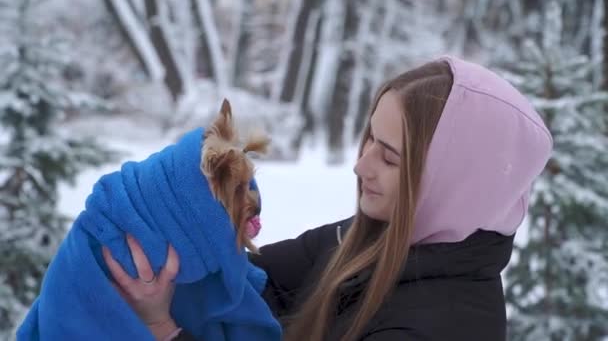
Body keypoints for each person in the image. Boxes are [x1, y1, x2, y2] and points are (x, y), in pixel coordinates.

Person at [103, 55, 553, 340]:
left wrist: (163, 329)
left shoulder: (443, 326)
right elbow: (255, 281)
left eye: (391, 158)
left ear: (456, 185)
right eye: (370, 139)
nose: (361, 166)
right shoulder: (371, 240)